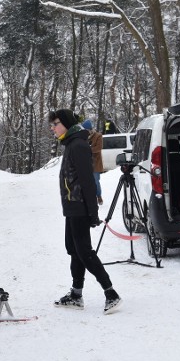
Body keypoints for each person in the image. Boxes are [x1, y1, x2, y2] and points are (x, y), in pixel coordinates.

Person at [49, 109, 122, 315]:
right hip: (72, 207)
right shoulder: (72, 143)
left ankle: (111, 293)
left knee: (85, 252)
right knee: (74, 249)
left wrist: (92, 213)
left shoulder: (78, 145)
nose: (52, 128)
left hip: (79, 207)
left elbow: (88, 182)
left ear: (65, 124)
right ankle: (76, 294)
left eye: (55, 124)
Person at [82, 118, 104, 205]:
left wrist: (87, 149)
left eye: (87, 130)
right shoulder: (83, 137)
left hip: (95, 163)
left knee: (95, 181)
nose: (86, 132)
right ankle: (90, 197)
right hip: (86, 163)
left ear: (90, 129)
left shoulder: (98, 136)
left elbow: (98, 148)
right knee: (87, 182)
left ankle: (98, 196)